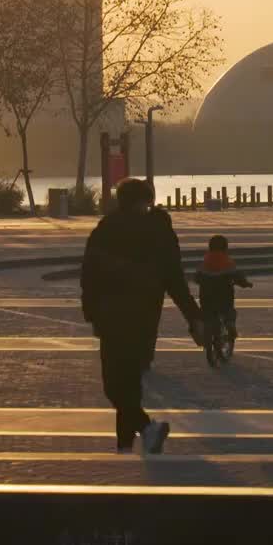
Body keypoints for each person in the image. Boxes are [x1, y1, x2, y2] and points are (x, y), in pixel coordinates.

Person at [81, 178, 204, 454]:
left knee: (114, 383)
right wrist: (193, 317)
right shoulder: (159, 230)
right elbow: (175, 279)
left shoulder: (108, 227)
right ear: (146, 200)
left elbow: (89, 271)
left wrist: (90, 310)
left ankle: (145, 428)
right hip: (145, 314)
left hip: (112, 314)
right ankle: (126, 443)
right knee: (129, 378)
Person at [196, 234, 253, 343]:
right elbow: (237, 276)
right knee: (228, 310)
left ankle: (205, 329)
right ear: (225, 247)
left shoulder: (206, 261)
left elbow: (197, 277)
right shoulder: (227, 261)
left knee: (206, 311)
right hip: (224, 294)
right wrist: (245, 283)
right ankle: (230, 323)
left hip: (206, 294)